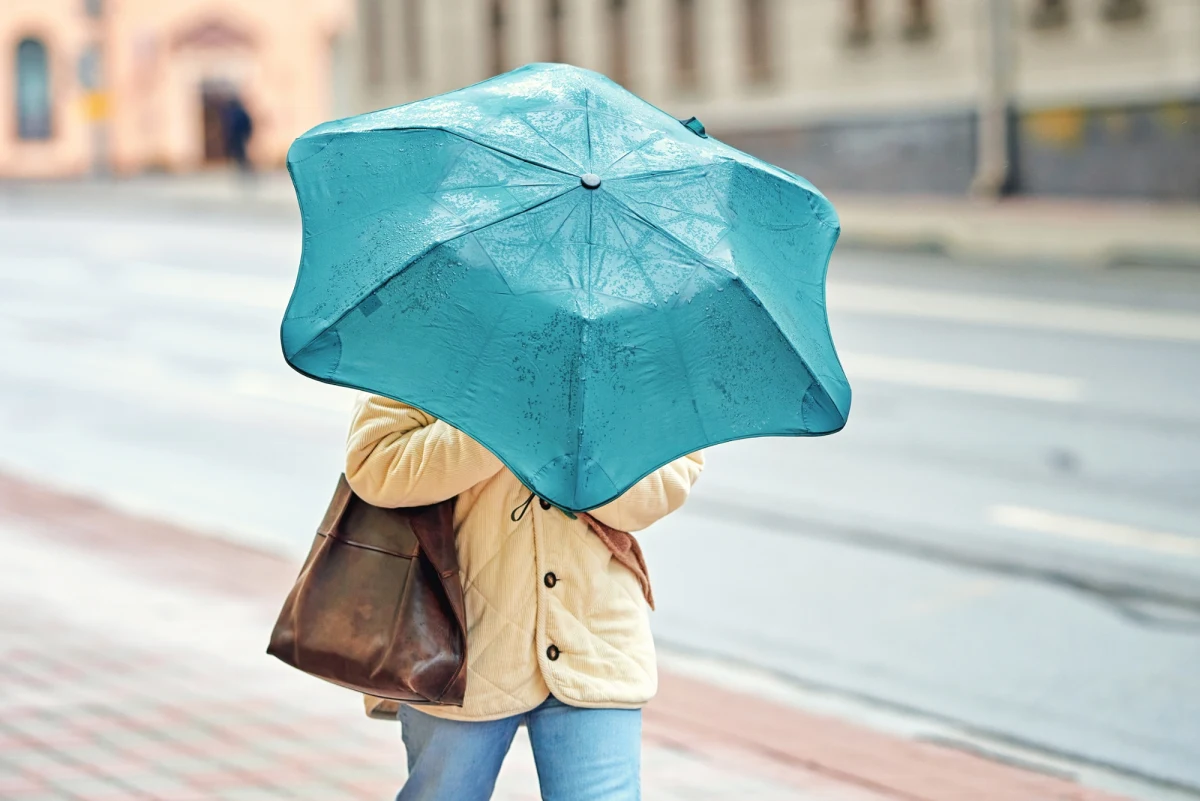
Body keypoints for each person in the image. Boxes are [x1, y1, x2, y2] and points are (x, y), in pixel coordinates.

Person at [344, 394, 704, 801]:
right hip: (457, 643)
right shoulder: (427, 351)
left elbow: (670, 479)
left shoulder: (631, 360)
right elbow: (375, 465)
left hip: (595, 637)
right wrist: (506, 422)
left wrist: (582, 448)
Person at [222, 93, 254, 173]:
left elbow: (239, 125)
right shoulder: (237, 112)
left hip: (238, 136)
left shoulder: (236, 113)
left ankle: (244, 167)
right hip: (239, 136)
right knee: (239, 152)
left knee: (239, 153)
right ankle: (242, 167)